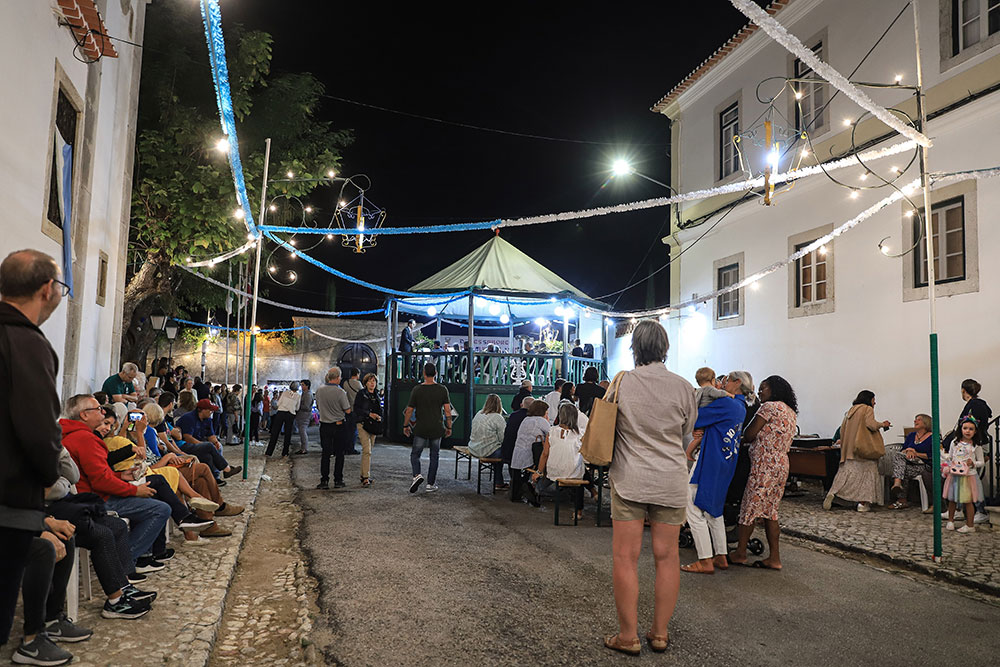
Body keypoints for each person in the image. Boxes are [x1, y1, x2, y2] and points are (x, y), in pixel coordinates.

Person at [602, 321, 695, 656]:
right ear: (665, 348)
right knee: (667, 557)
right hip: (670, 480)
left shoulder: (623, 382)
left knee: (625, 557)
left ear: (635, 349)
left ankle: (627, 636)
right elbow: (687, 430)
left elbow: (607, 422)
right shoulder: (684, 387)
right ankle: (659, 633)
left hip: (630, 479)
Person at [0, 249, 65, 648]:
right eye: (61, 286)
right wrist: (47, 476)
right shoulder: (26, 343)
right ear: (46, 290)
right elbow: (40, 429)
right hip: (8, 502)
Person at [60, 394, 172, 575]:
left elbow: (96, 473)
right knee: (160, 509)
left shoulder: (70, 434)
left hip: (82, 496)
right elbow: (100, 481)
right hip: (95, 499)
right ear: (84, 415)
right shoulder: (85, 439)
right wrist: (135, 490)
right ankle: (124, 560)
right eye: (98, 409)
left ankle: (129, 558)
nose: (102, 412)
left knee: (150, 500)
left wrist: (120, 475)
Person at [681, 374, 751, 575]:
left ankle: (705, 559)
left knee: (692, 506)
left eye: (728, 379)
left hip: (710, 460)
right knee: (714, 509)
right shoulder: (740, 406)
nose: (723, 383)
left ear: (737, 383)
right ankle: (721, 555)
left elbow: (694, 415)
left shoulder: (727, 404)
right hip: (725, 462)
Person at [729, 375, 798, 571]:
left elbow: (750, 434)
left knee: (749, 506)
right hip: (781, 463)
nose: (760, 392)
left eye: (763, 388)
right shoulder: (790, 411)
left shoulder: (769, 407)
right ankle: (774, 558)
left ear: (774, 389)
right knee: (770, 512)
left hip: (764, 464)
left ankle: (740, 552)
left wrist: (741, 437)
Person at [823, 390, 890, 512]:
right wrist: (883, 424)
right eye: (874, 399)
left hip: (849, 450)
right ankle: (862, 503)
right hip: (862, 450)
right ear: (869, 399)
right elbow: (871, 425)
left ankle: (834, 493)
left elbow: (843, 429)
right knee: (866, 475)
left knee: (846, 474)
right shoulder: (867, 409)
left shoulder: (850, 411)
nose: (875, 402)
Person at [533, 403, 591, 519]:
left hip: (553, 471)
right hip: (573, 472)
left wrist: (538, 472)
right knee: (580, 472)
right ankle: (578, 511)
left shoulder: (552, 431)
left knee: (567, 468)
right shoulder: (582, 433)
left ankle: (539, 488)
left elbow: (545, 454)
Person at [403, 363, 452, 494]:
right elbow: (447, 411)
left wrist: (406, 425)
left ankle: (417, 475)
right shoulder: (442, 390)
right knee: (434, 455)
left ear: (423, 373)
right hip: (437, 427)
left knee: (415, 454)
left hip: (421, 428)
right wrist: (449, 426)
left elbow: (409, 410)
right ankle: (430, 484)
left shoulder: (417, 390)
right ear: (436, 373)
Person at [175, 399, 242, 480]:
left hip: (197, 443)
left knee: (212, 452)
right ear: (202, 410)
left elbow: (211, 435)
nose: (211, 412)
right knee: (208, 446)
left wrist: (216, 442)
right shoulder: (188, 418)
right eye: (210, 410)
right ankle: (227, 469)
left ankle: (214, 477)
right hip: (185, 445)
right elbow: (187, 437)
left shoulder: (208, 419)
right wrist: (203, 445)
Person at [943, 417, 985, 534]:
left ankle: (970, 525)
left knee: (968, 501)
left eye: (971, 429)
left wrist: (973, 464)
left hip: (969, 477)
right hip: (955, 475)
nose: (967, 431)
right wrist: (947, 465)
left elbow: (981, 461)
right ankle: (950, 521)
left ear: (975, 431)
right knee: (952, 499)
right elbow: (950, 457)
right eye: (965, 428)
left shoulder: (976, 446)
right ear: (960, 429)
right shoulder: (954, 443)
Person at [315, 368, 352, 490]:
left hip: (324, 425)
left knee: (325, 453)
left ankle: (324, 480)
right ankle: (338, 480)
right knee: (339, 453)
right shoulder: (340, 392)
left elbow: (319, 407)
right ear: (337, 378)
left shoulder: (319, 390)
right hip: (338, 425)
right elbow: (347, 410)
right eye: (340, 377)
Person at [888, 414, 934, 510]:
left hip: (924, 465)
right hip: (910, 463)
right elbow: (903, 450)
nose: (915, 421)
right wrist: (908, 450)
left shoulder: (933, 437)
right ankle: (898, 486)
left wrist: (916, 453)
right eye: (915, 419)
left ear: (926, 423)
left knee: (899, 471)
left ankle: (901, 496)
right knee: (899, 460)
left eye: (919, 420)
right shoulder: (911, 435)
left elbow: (932, 455)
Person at [510, 400, 550, 506]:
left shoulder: (526, 419)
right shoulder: (541, 421)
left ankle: (523, 490)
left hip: (517, 454)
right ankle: (535, 489)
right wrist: (546, 420)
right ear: (542, 411)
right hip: (531, 455)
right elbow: (552, 434)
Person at [469, 394, 507, 491]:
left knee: (498, 449)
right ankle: (501, 482)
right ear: (499, 405)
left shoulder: (479, 413)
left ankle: (499, 481)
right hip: (487, 451)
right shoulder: (498, 418)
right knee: (508, 452)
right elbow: (503, 438)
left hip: (473, 447)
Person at [354, 373, 383, 487]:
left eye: (374, 381)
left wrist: (379, 416)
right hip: (363, 423)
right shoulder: (361, 394)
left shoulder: (376, 394)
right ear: (365, 383)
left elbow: (379, 408)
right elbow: (356, 408)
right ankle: (366, 477)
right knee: (367, 450)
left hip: (373, 425)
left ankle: (363, 475)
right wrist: (369, 414)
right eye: (370, 381)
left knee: (369, 451)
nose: (372, 383)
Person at [501, 396, 533, 497]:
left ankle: (516, 481)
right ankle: (525, 483)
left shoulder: (513, 415)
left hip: (508, 450)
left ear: (521, 405)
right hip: (524, 452)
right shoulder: (531, 418)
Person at [266, 382, 301, 457]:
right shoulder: (298, 396)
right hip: (290, 414)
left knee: (275, 432)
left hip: (281, 413)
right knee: (288, 433)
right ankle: (285, 452)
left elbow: (278, 404)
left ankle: (269, 452)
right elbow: (297, 407)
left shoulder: (285, 393)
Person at [343, 369, 363, 455]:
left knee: (347, 430)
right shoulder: (358, 383)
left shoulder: (345, 383)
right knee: (354, 430)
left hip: (347, 409)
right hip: (355, 409)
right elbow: (363, 393)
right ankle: (351, 448)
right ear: (357, 374)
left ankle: (346, 447)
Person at [294, 379, 313, 455]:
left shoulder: (308, 394)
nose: (301, 386)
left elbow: (307, 407)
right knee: (301, 432)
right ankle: (303, 448)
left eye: (303, 385)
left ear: (307, 386)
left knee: (302, 432)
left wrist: (298, 405)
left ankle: (304, 449)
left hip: (304, 416)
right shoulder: (304, 393)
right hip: (301, 415)